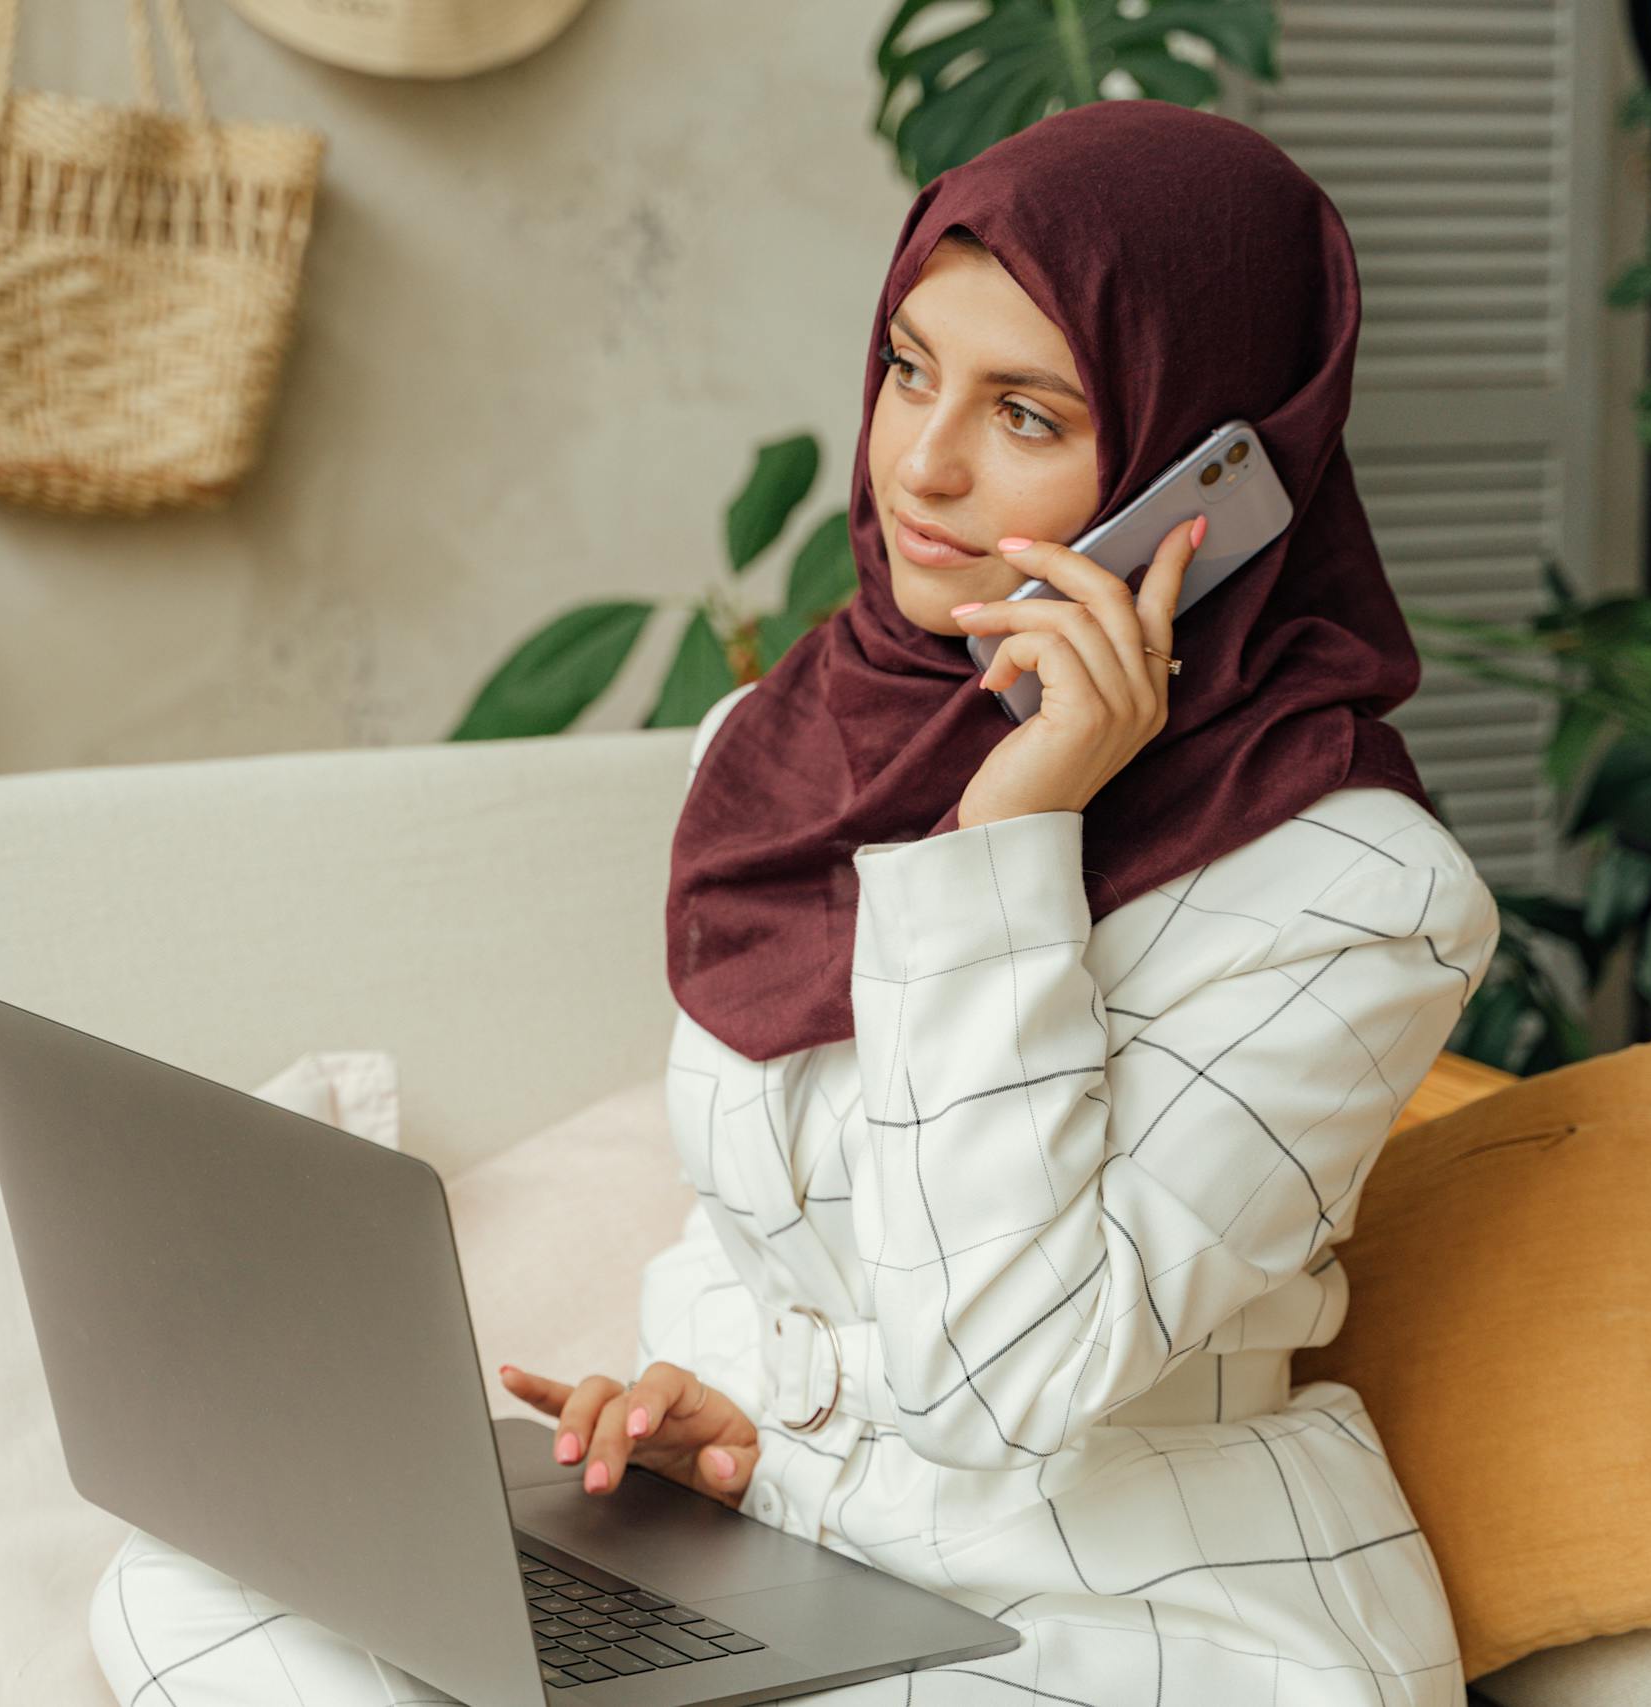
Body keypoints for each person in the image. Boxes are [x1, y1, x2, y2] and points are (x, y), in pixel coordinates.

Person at [93, 98, 1501, 1706]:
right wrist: (732, 1408)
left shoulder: (1362, 895)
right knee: (192, 1591)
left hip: (1122, 1615)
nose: (923, 462)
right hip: (807, 1555)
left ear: (1208, 481)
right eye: (911, 370)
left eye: (1029, 414)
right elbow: (764, 1221)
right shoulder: (789, 749)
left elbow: (994, 1375)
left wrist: (1006, 835)